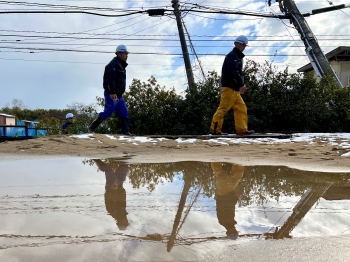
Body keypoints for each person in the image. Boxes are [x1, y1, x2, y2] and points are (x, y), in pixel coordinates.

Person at [209, 35, 255, 136]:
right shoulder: (232, 56)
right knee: (223, 109)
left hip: (234, 89)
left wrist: (240, 86)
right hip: (229, 88)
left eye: (245, 45)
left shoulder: (236, 56)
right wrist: (242, 84)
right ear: (236, 44)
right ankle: (215, 131)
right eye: (243, 45)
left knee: (241, 108)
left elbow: (237, 73)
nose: (244, 47)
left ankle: (242, 131)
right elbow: (234, 72)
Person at [88, 44, 133, 135]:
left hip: (119, 95)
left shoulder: (121, 65)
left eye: (127, 53)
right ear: (119, 54)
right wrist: (112, 92)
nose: (127, 55)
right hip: (112, 94)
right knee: (108, 112)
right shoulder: (113, 64)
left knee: (124, 112)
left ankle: (125, 133)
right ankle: (92, 128)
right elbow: (109, 79)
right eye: (125, 53)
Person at [211, 162, 245, 240]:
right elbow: (231, 208)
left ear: (228, 232)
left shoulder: (223, 222)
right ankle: (239, 163)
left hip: (224, 195)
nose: (233, 230)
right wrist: (235, 197)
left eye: (232, 232)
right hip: (230, 194)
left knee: (222, 177)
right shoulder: (231, 222)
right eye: (235, 231)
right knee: (236, 177)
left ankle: (216, 161)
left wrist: (219, 196)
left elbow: (221, 207)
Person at [93, 159, 129, 230]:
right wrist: (120, 187)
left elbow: (107, 197)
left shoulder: (112, 211)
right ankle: (120, 161)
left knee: (109, 170)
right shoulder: (123, 212)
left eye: (125, 222)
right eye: (126, 222)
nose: (126, 221)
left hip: (111, 186)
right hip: (119, 184)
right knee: (124, 167)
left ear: (120, 222)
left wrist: (111, 189)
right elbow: (123, 197)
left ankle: (97, 160)